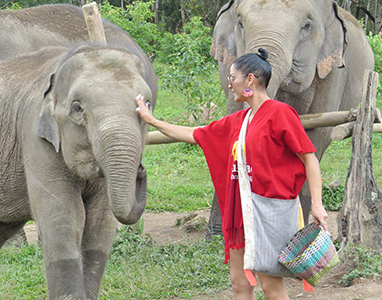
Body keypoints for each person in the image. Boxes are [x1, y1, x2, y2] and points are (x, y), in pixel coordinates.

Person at [135, 48, 328, 300]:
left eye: (232, 78)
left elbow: (309, 158)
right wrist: (152, 120)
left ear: (250, 80)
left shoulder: (280, 113)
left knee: (271, 288)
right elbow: (195, 134)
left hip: (271, 212)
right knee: (239, 284)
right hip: (242, 214)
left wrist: (317, 204)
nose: (230, 85)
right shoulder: (239, 120)